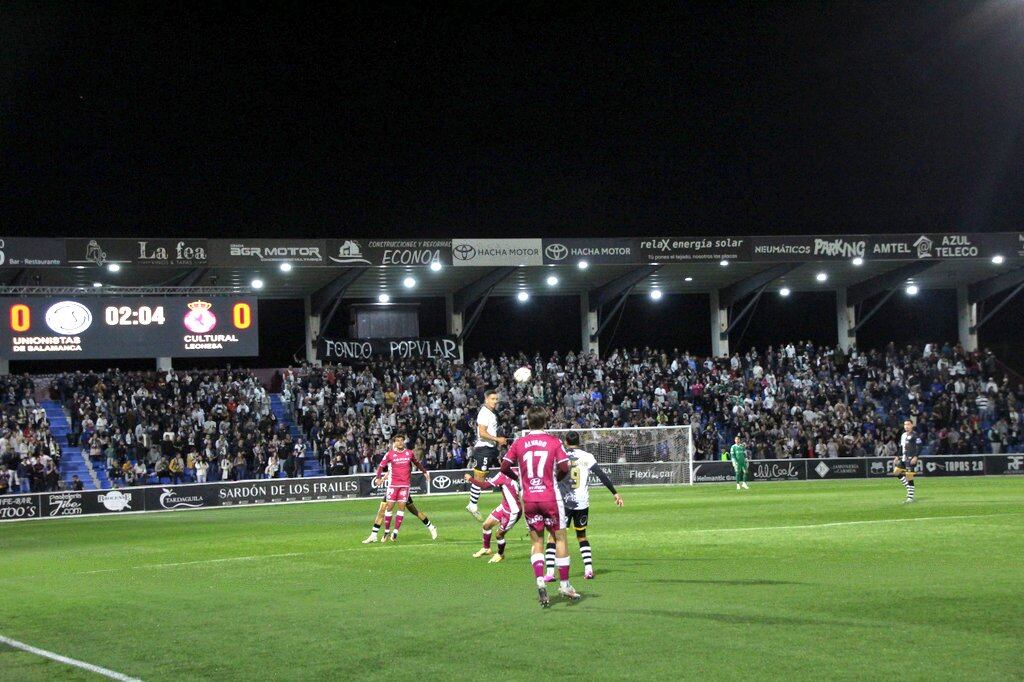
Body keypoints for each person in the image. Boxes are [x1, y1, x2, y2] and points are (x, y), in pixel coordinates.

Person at [501, 406, 580, 607]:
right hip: (550, 497)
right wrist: (555, 478)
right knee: (560, 538)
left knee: (536, 542)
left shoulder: (519, 442)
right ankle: (564, 585)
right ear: (545, 421)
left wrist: (519, 478)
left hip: (529, 499)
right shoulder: (554, 442)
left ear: (528, 422)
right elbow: (564, 467)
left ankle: (540, 582)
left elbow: (504, 467)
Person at [545, 431, 622, 580]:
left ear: (566, 442)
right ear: (579, 442)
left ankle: (549, 573)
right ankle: (588, 570)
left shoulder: (560, 455)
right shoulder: (588, 457)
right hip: (582, 502)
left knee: (553, 537)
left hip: (564, 502)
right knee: (581, 536)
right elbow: (601, 475)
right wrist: (615, 493)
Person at [373, 434, 430, 542]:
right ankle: (386, 531)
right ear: (394, 443)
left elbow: (416, 463)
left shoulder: (409, 453)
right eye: (397, 441)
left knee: (401, 508)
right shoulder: (390, 454)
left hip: (405, 485)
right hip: (393, 485)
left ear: (404, 442)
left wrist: (424, 472)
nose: (399, 442)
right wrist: (378, 478)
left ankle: (395, 532)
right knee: (388, 508)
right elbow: (381, 466)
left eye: (401, 440)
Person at [361, 465, 438, 543]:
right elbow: (390, 471)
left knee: (414, 510)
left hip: (401, 488)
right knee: (381, 510)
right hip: (391, 489)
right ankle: (374, 535)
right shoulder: (391, 457)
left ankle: (431, 527)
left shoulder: (403, 459)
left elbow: (407, 471)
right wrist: (383, 479)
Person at [465, 467, 521, 563]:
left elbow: (485, 485)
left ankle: (500, 554)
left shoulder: (503, 475)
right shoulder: (517, 472)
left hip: (513, 511)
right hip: (504, 506)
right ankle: (486, 549)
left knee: (499, 535)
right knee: (486, 525)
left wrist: (470, 479)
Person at [467, 389, 506, 520]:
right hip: (483, 448)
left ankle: (473, 504)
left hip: (490, 449)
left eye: (496, 399)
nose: (495, 401)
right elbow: (482, 433)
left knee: (485, 476)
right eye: (492, 399)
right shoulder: (484, 413)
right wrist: (497, 439)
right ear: (486, 399)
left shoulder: (491, 412)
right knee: (479, 478)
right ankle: (472, 505)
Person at [894, 419, 921, 504]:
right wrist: (897, 456)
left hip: (911, 458)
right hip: (903, 458)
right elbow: (901, 447)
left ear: (912, 425)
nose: (906, 426)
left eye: (908, 424)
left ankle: (910, 497)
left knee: (909, 477)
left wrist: (915, 457)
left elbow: (920, 446)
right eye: (905, 424)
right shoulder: (903, 435)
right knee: (896, 472)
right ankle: (909, 489)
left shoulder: (915, 435)